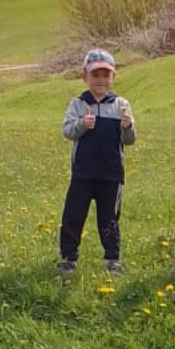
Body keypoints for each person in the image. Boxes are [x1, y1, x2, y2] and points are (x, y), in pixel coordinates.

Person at [59, 48, 136, 274]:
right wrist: (82, 125)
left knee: (109, 218)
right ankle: (68, 258)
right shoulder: (78, 103)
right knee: (73, 215)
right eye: (95, 75)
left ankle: (112, 259)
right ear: (85, 76)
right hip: (83, 173)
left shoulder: (121, 104)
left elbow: (130, 140)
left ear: (114, 77)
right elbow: (67, 131)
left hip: (111, 174)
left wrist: (127, 126)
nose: (101, 80)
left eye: (106, 75)